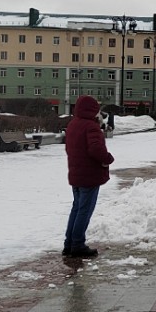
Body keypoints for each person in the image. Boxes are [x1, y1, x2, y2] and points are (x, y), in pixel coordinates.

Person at [63, 95, 114, 258]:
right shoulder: (91, 126)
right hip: (89, 175)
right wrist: (108, 159)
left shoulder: (73, 124)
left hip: (76, 173)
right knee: (84, 210)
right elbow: (95, 149)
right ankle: (77, 245)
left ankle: (69, 244)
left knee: (77, 208)